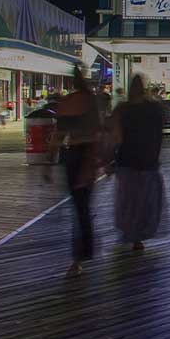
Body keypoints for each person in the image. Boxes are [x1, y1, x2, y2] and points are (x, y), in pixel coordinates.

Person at [55, 69, 105, 277]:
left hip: (72, 153)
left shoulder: (66, 102)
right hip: (86, 154)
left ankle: (80, 254)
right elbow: (97, 133)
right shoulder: (91, 101)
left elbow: (59, 134)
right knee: (83, 205)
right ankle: (83, 250)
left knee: (78, 206)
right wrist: (98, 160)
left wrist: (48, 160)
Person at [112, 74, 166, 253]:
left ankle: (130, 232)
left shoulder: (122, 109)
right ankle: (139, 236)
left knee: (128, 200)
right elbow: (159, 135)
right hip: (148, 160)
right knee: (145, 201)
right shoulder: (154, 108)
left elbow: (116, 136)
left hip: (127, 159)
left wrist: (109, 158)